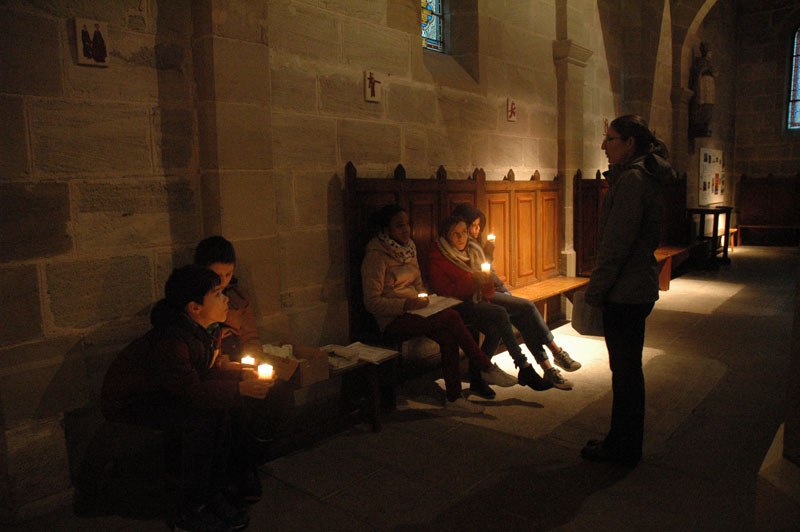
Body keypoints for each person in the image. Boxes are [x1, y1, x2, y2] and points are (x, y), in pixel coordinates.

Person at [101, 264, 273, 530]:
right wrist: (239, 389)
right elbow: (191, 390)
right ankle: (189, 510)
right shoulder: (172, 342)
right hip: (133, 402)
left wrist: (239, 374)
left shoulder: (204, 330)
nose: (226, 299)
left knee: (223, 412)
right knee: (201, 420)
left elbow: (203, 372)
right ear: (195, 307)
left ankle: (215, 492)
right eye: (217, 294)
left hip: (166, 391)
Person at [360, 204, 517, 414]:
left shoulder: (409, 248)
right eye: (399, 226)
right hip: (391, 318)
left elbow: (418, 285)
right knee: (451, 316)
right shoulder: (376, 256)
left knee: (448, 336)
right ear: (386, 230)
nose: (406, 229)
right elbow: (372, 302)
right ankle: (485, 366)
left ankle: (454, 398)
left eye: (407, 224)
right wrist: (406, 304)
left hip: (415, 311)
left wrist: (424, 300)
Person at [580, 114, 670, 467]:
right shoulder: (642, 174)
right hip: (635, 286)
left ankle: (623, 447)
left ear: (630, 143)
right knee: (628, 371)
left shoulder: (633, 179)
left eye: (610, 138)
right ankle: (621, 440)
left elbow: (616, 245)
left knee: (626, 373)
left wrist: (595, 291)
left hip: (626, 290)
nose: (604, 145)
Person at [428, 216, 573, 397]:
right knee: (500, 313)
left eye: (464, 232)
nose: (461, 237)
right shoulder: (439, 257)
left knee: (510, 319)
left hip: (477, 299)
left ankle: (478, 378)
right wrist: (473, 279)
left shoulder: (473, 250)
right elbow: (444, 292)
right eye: (455, 234)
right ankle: (523, 365)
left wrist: (485, 277)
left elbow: (488, 291)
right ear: (446, 236)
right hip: (456, 305)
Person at [451, 203, 582, 377]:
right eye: (474, 226)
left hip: (494, 290)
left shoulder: (476, 245)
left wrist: (502, 287)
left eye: (479, 225)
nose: (478, 229)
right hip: (481, 296)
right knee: (527, 307)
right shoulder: (461, 248)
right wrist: (488, 256)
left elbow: (490, 274)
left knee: (524, 318)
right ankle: (555, 354)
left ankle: (548, 367)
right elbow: (479, 278)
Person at [194, 236, 261, 362]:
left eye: (228, 274)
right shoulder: (193, 300)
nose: (223, 281)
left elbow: (250, 338)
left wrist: (253, 360)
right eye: (217, 275)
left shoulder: (237, 298)